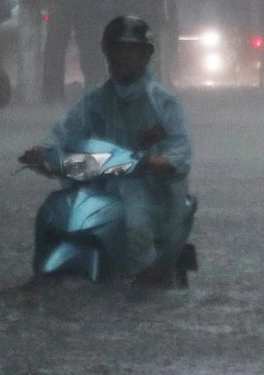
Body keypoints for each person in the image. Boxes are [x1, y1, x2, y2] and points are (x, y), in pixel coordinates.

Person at [20, 15, 194, 282]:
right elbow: (65, 131)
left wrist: (164, 161)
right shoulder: (95, 100)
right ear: (107, 53)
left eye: (131, 50)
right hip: (94, 186)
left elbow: (180, 145)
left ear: (146, 55)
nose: (123, 56)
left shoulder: (163, 102)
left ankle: (143, 279)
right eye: (117, 49)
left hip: (145, 190)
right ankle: (43, 277)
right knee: (52, 213)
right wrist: (43, 152)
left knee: (135, 226)